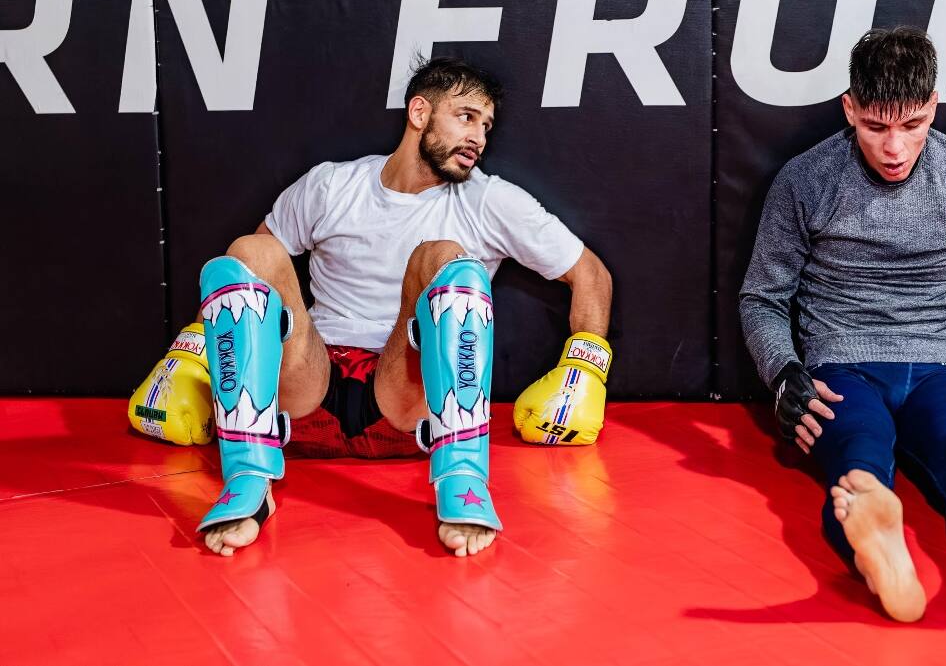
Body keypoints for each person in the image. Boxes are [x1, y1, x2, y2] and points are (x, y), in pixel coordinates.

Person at [129, 57, 614, 559]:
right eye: (466, 117)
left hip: (405, 402)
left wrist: (584, 369)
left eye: (486, 127)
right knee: (251, 250)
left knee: (443, 256)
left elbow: (591, 274)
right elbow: (248, 275)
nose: (478, 138)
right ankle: (249, 482)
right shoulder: (330, 185)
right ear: (420, 113)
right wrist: (193, 354)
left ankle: (463, 480)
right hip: (306, 395)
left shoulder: (491, 201)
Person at [739, 27, 946, 623]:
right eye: (875, 126)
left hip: (940, 369)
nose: (894, 147)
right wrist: (784, 374)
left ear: (934, 106)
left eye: (912, 125)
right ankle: (880, 555)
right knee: (858, 459)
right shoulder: (804, 179)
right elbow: (763, 298)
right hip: (840, 368)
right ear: (850, 109)